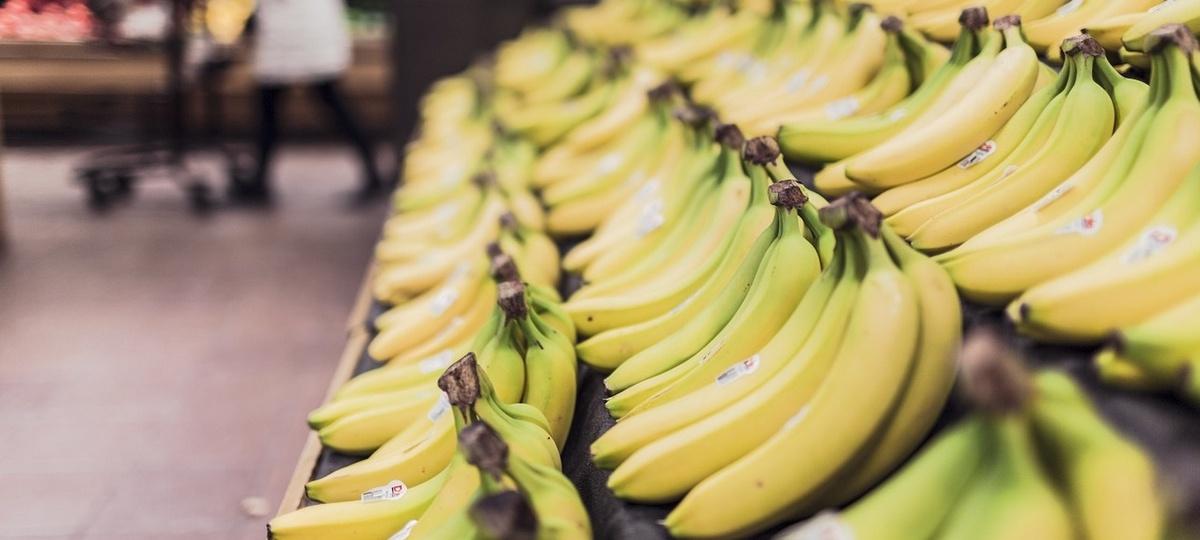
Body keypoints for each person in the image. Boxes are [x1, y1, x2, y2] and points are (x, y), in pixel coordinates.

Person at [231, 0, 385, 203]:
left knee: (277, 105)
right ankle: (371, 169)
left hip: (298, 28)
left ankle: (372, 170)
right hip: (299, 28)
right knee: (276, 104)